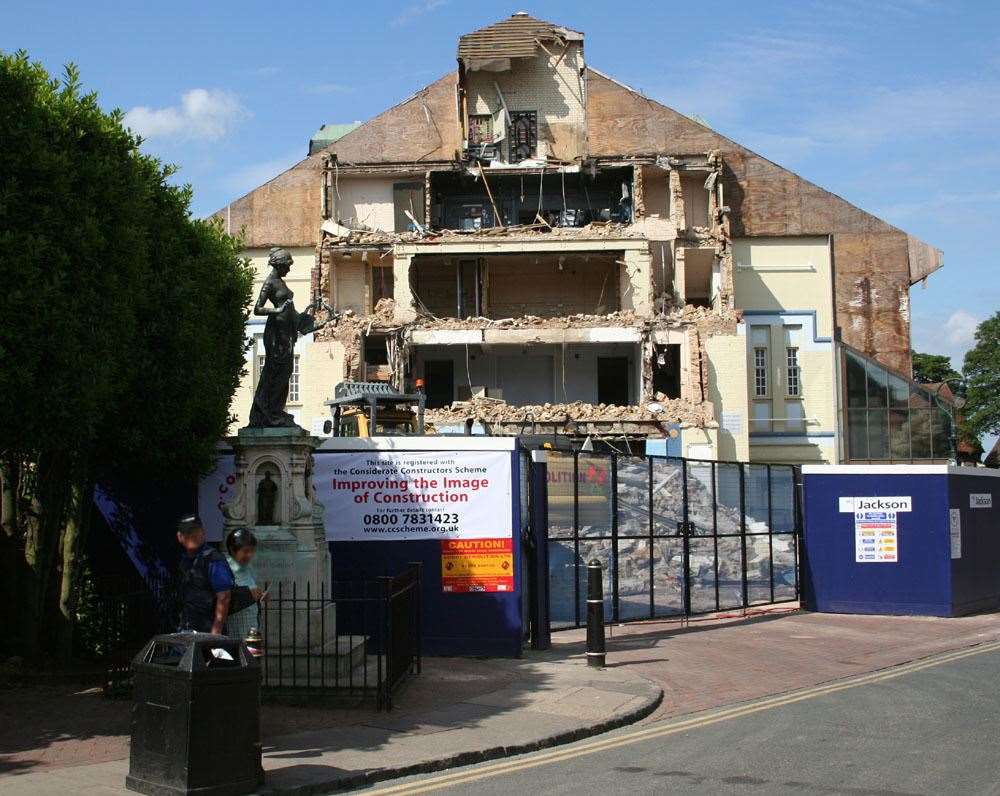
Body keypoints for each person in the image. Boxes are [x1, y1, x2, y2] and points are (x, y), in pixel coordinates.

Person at [176, 515, 260, 634]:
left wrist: (216, 631)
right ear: (180, 537)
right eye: (188, 533)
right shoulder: (185, 561)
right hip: (188, 628)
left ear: (203, 533)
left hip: (207, 630)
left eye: (196, 532)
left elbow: (224, 597)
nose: (192, 536)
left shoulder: (213, 559)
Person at [225, 528, 266, 640]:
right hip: (235, 634)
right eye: (245, 551)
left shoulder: (248, 569)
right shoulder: (225, 569)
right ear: (233, 550)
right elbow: (223, 599)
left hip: (251, 630)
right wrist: (248, 594)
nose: (249, 555)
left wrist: (260, 595)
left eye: (252, 551)